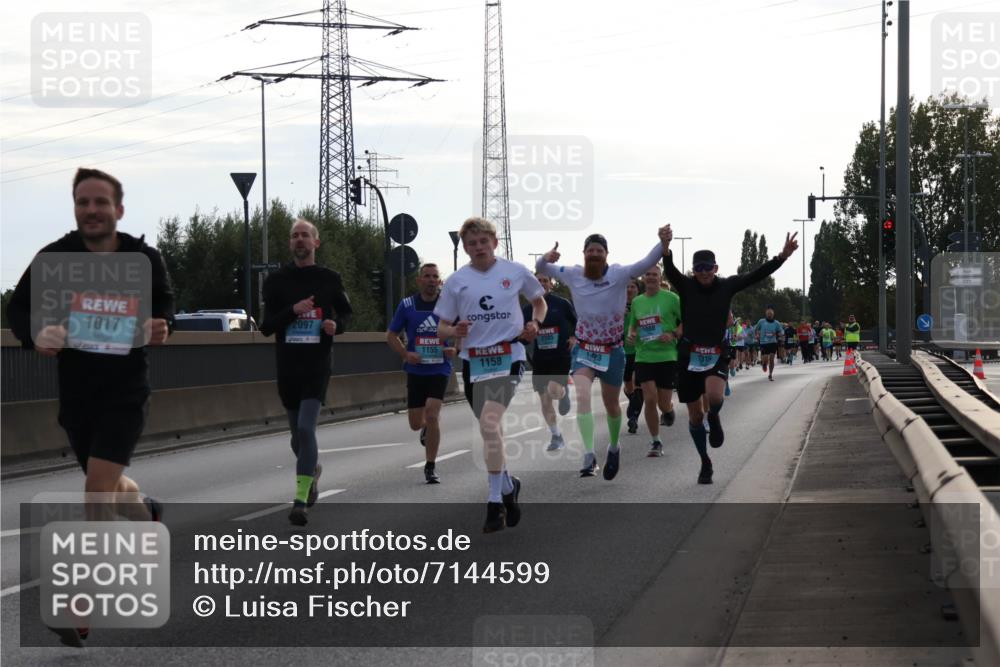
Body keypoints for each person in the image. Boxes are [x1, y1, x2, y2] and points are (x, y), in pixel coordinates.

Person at [6, 168, 175, 647]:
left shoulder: (143, 258)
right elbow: (19, 310)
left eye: (101, 202)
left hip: (125, 392)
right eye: (83, 202)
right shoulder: (55, 257)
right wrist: (37, 332)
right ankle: (146, 514)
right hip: (77, 396)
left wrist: (163, 326)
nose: (92, 210)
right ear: (75, 207)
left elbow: (168, 309)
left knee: (97, 490)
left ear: (118, 210)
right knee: (110, 487)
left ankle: (81, 602)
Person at [662, 226, 799, 485]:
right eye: (698, 268)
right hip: (689, 354)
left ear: (716, 268)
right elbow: (669, 270)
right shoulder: (686, 286)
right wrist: (665, 245)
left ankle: (715, 416)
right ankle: (705, 461)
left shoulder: (727, 286)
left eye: (708, 267)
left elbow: (756, 275)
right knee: (694, 417)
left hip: (715, 352)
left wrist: (782, 257)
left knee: (713, 397)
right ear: (693, 271)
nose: (703, 273)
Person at [435, 217, 546, 533]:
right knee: (489, 432)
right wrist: (453, 330)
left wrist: (534, 324)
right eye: (472, 243)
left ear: (495, 243)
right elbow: (442, 326)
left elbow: (539, 303)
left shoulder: (514, 271)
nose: (478, 247)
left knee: (489, 423)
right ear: (466, 248)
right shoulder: (457, 281)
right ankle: (509, 487)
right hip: (473, 361)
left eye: (483, 241)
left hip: (508, 355)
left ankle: (495, 501)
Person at [536, 227, 671, 481]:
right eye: (590, 251)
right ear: (584, 254)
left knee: (611, 406)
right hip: (585, 348)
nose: (594, 254)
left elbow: (647, 262)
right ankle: (588, 455)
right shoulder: (574, 274)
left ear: (607, 254)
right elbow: (541, 266)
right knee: (583, 395)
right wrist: (547, 257)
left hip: (612, 350)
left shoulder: (620, 274)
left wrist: (662, 243)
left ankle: (613, 447)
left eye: (599, 250)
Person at [261, 218, 352, 527]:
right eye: (295, 236)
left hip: (317, 364)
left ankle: (300, 500)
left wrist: (335, 326)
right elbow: (265, 327)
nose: (300, 240)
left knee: (304, 429)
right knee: (296, 438)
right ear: (290, 244)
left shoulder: (330, 278)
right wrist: (293, 311)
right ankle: (312, 471)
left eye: (305, 235)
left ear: (316, 243)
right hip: (287, 365)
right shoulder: (276, 281)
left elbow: (346, 313)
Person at [386, 263, 457, 483]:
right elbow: (391, 335)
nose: (430, 280)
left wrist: (456, 348)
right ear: (419, 280)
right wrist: (406, 355)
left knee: (433, 413)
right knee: (416, 423)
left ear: (440, 281)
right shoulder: (407, 305)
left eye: (435, 276)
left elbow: (464, 328)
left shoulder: (448, 306)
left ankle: (430, 466)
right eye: (426, 276)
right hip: (416, 369)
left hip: (439, 368)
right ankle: (425, 428)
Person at [625, 264, 682, 457]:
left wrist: (674, 333)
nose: (650, 277)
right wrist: (631, 335)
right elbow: (632, 326)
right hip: (644, 356)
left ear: (660, 277)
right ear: (643, 278)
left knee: (662, 403)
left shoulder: (672, 299)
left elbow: (685, 322)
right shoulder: (638, 302)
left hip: (667, 356)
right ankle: (656, 441)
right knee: (649, 398)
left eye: (654, 275)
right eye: (647, 274)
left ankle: (668, 410)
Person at [522, 272, 577, 451]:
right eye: (538, 281)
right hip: (540, 359)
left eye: (545, 280)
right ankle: (556, 435)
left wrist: (574, 337)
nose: (541, 283)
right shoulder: (527, 309)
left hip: (560, 355)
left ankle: (563, 393)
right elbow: (520, 333)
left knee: (553, 391)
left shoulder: (562, 304)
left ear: (550, 284)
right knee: (544, 400)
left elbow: (577, 322)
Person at [623, 279, 644, 434]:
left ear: (638, 290)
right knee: (628, 386)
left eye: (632, 287)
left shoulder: (642, 305)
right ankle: (634, 403)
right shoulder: (617, 306)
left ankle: (633, 417)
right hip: (622, 351)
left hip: (640, 351)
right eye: (627, 287)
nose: (629, 289)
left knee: (638, 385)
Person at [754, 306, 784, 381]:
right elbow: (756, 329)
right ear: (766, 314)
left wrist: (779, 333)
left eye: (771, 313)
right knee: (765, 359)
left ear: (773, 314)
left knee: (771, 358)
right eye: (768, 313)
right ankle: (764, 364)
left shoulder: (776, 323)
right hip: (764, 343)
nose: (769, 315)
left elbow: (782, 331)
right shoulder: (761, 321)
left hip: (773, 342)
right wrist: (757, 335)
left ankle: (770, 374)